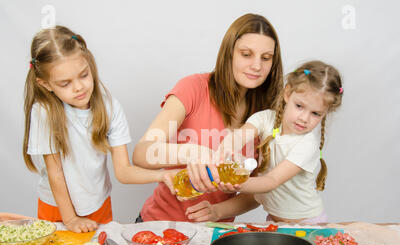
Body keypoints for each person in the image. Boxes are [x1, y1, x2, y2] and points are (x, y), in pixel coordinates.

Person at [23, 26, 177, 233]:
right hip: (58, 209)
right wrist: (70, 220)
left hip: (99, 204)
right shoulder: (44, 112)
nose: (79, 87)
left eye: (84, 75)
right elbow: (56, 173)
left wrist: (162, 176)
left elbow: (123, 172)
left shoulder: (109, 107)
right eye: (65, 83)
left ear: (90, 66)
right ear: (46, 84)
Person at [132, 13, 283, 222]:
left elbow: (259, 190)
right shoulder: (193, 88)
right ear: (229, 53)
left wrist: (218, 211)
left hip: (214, 235)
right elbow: (141, 153)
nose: (257, 66)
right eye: (246, 54)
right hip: (159, 226)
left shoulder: (267, 116)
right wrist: (192, 152)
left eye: (266, 58)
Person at [187, 60, 343, 224]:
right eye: (299, 106)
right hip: (274, 221)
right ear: (288, 93)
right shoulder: (265, 119)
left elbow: (271, 181)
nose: (304, 118)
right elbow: (238, 136)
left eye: (316, 114)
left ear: (325, 113)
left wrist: (237, 183)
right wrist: (222, 153)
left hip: (308, 222)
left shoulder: (306, 144)